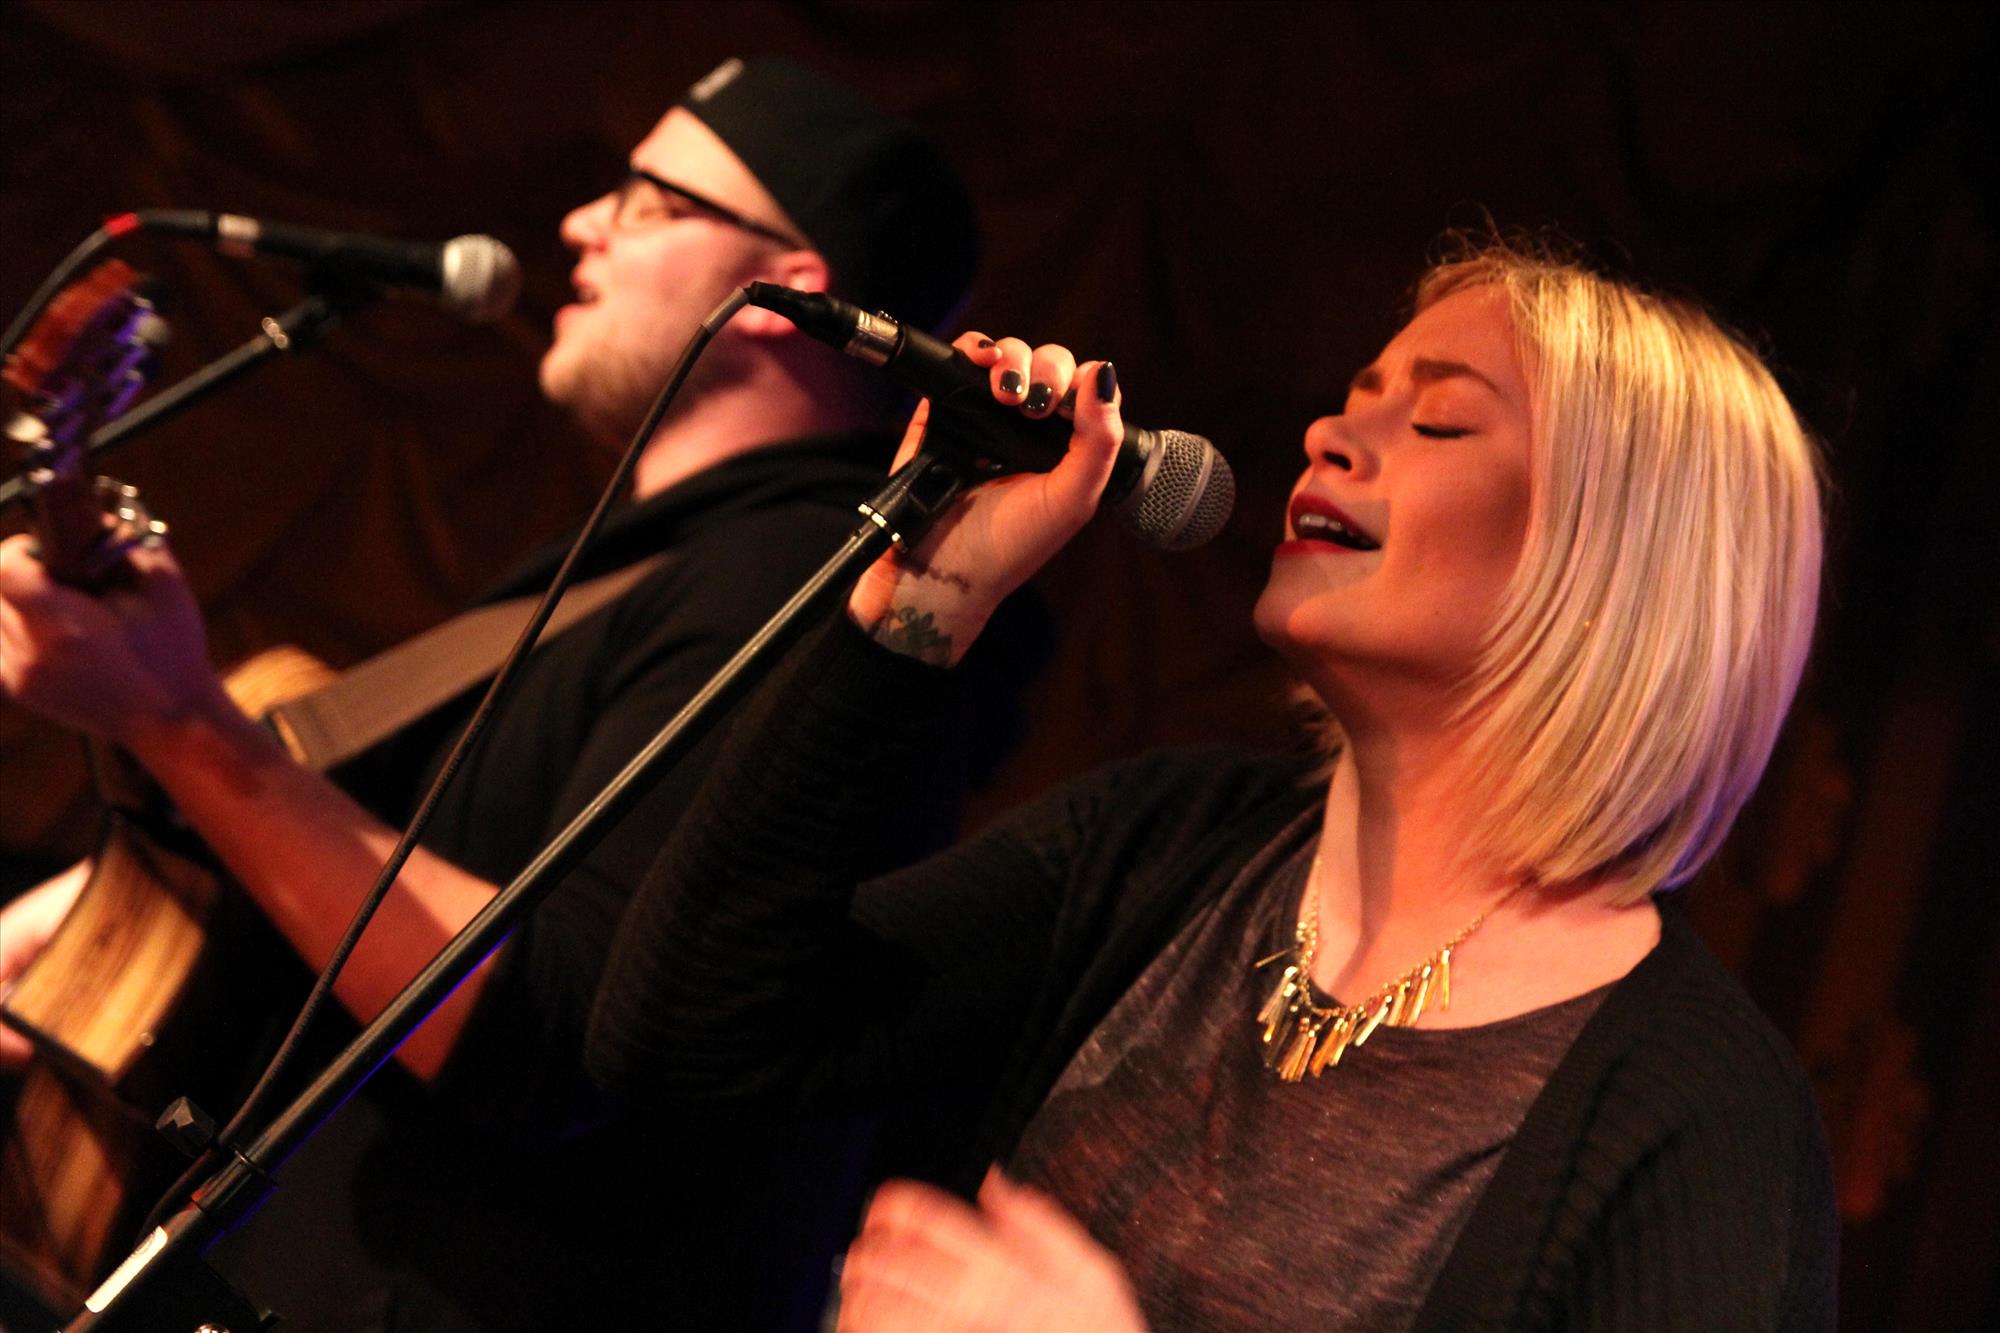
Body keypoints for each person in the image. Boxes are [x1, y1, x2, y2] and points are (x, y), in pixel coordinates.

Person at [586, 239, 1839, 1330]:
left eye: (1440, 422)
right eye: (1355, 397)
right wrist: (928, 595)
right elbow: (687, 1027)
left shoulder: (1692, 1115)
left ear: (1615, 562)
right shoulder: (1164, 843)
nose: (1325, 436)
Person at [0, 57, 1030, 1330]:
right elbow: (354, 909)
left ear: (790, 295)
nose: (582, 223)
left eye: (650, 200)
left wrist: (178, 723)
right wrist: (110, 906)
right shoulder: (631, 573)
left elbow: (550, 1041)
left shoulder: (809, 590)